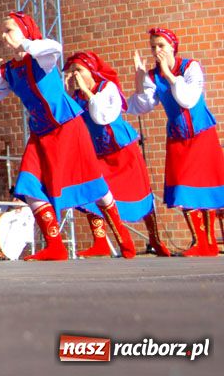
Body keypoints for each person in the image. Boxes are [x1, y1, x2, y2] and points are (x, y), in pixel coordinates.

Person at [0, 11, 135, 261]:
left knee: (93, 183)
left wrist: (24, 44)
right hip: (41, 133)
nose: (3, 36)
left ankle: (123, 238)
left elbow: (53, 47)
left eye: (8, 30)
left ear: (25, 32)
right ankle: (55, 245)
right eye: (2, 32)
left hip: (68, 128)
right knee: (29, 186)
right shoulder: (8, 71)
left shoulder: (42, 58)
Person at [127, 27, 224, 257]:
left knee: (207, 185)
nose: (156, 50)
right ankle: (200, 241)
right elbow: (143, 106)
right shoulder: (153, 76)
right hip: (178, 136)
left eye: (161, 45)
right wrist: (140, 81)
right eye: (153, 47)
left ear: (172, 46)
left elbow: (188, 99)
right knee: (183, 186)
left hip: (201, 134)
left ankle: (208, 243)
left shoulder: (190, 67)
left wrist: (170, 76)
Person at [63, 51, 171, 257]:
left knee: (141, 193)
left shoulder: (107, 88)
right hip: (98, 153)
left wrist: (86, 91)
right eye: (72, 72)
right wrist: (69, 94)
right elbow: (70, 122)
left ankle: (155, 239)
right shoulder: (76, 95)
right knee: (92, 193)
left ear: (91, 71)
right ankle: (101, 241)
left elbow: (101, 116)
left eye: (79, 70)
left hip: (122, 149)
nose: (75, 75)